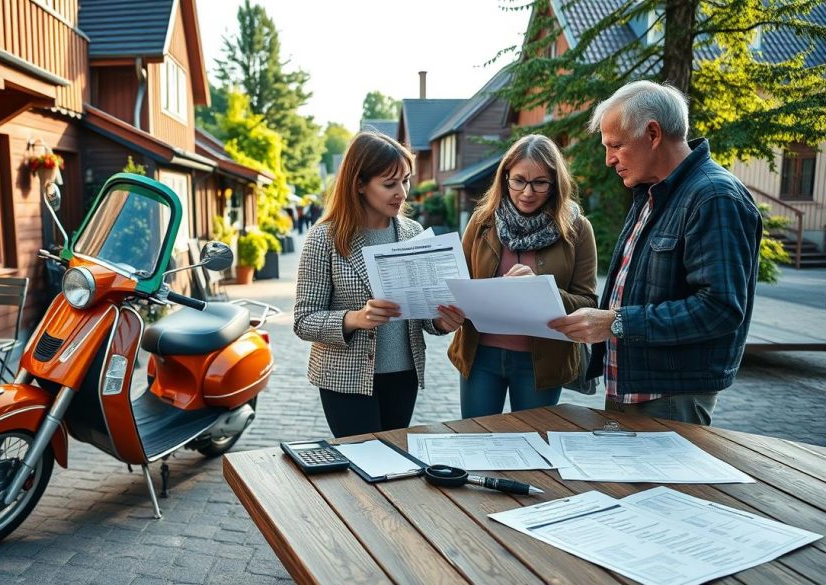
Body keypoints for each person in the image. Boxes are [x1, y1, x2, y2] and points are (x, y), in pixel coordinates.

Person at [549, 80, 762, 425]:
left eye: (615, 145)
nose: (609, 159)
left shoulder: (714, 196)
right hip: (632, 385)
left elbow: (721, 308)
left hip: (670, 394)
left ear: (652, 134)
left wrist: (615, 321)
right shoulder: (652, 193)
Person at [293, 131, 464, 438]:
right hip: (345, 378)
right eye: (389, 184)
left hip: (403, 375)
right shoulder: (324, 239)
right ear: (359, 184)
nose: (402, 192)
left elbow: (423, 312)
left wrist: (442, 321)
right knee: (361, 467)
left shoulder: (413, 233)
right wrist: (355, 318)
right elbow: (303, 320)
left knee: (394, 461)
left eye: (406, 180)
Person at [448, 134, 598, 418]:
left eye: (540, 182)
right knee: (476, 440)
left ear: (555, 184)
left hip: (541, 360)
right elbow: (458, 285)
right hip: (480, 356)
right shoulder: (482, 222)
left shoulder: (577, 229)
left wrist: (540, 289)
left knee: (535, 446)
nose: (527, 192)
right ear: (505, 178)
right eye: (518, 180)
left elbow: (587, 302)